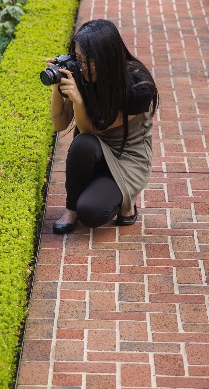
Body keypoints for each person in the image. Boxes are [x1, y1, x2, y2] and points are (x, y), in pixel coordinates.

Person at [49, 19, 158, 234]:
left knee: (91, 213)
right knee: (83, 144)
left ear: (107, 59)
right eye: (77, 58)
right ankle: (71, 209)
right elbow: (60, 124)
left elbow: (93, 129)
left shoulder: (138, 87)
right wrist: (57, 83)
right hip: (92, 150)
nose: (81, 66)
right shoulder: (80, 74)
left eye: (88, 60)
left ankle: (126, 200)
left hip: (127, 157)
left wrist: (79, 100)